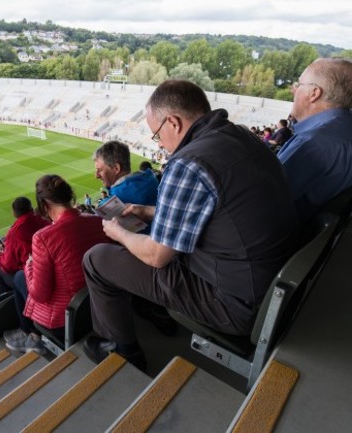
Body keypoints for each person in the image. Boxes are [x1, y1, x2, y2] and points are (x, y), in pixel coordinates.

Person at [82, 80, 299, 370]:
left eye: (157, 135)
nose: (159, 144)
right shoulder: (240, 137)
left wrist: (119, 233)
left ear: (173, 122)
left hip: (234, 302)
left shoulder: (187, 163)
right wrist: (148, 211)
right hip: (268, 282)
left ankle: (122, 351)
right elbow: (213, 209)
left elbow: (157, 256)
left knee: (97, 259)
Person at [5, 174, 111, 354]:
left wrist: (30, 265)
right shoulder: (98, 221)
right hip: (98, 307)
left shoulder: (44, 237)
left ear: (44, 205)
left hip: (65, 320)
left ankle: (31, 335)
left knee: (19, 277)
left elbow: (40, 294)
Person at [277, 58, 352, 221]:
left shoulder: (312, 142)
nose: (293, 90)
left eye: (298, 84)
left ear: (314, 93)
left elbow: (260, 197)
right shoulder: (344, 131)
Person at [0, 197, 50, 292]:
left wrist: (0, 254)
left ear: (14, 214)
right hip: (49, 267)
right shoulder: (45, 222)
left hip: (33, 275)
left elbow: (8, 266)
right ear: (31, 209)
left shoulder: (14, 233)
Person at [93, 140, 158, 207]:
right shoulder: (151, 179)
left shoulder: (115, 201)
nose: (96, 176)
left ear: (116, 168)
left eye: (100, 170)